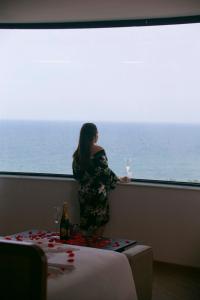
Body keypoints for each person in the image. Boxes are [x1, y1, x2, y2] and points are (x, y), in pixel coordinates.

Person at [72, 122, 129, 238]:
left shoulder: (77, 154)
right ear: (93, 135)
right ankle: (96, 250)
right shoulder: (98, 151)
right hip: (97, 195)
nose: (98, 136)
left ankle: (86, 252)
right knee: (99, 224)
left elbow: (77, 175)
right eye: (97, 133)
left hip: (83, 194)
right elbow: (105, 173)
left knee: (86, 225)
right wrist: (119, 179)